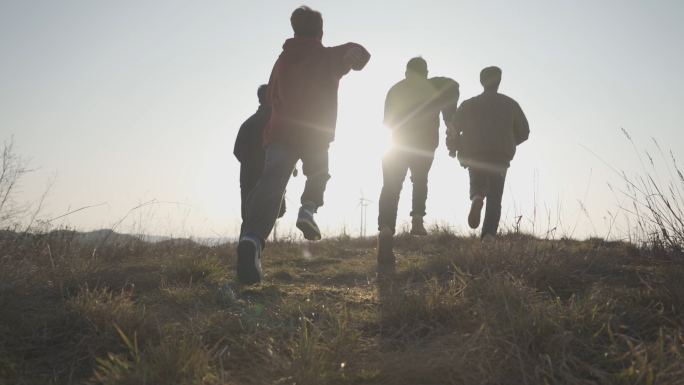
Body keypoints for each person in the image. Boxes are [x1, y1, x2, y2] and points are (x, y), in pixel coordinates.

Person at [236, 5, 371, 284]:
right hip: (314, 134)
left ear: (294, 31)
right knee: (318, 172)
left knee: (271, 185)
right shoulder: (328, 56)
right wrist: (354, 54)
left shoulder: (281, 60)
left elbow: (272, 95)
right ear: (320, 33)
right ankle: (308, 208)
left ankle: (251, 238)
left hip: (281, 134)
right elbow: (359, 54)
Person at [377, 57, 459, 265]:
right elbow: (453, 85)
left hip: (396, 143)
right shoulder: (433, 86)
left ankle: (386, 227)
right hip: (423, 143)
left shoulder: (394, 89)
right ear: (426, 74)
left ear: (406, 73)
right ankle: (417, 219)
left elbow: (387, 121)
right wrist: (449, 119)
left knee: (391, 187)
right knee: (420, 179)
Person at [450, 66, 529, 243]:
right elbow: (525, 132)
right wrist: (507, 141)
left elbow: (454, 128)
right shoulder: (511, 104)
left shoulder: (469, 104)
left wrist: (453, 148)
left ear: (481, 82)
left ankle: (477, 196)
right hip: (500, 157)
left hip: (476, 154)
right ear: (499, 81)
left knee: (477, 184)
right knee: (495, 197)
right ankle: (488, 235)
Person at [233, 84, 286, 224]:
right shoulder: (279, 123)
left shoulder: (247, 124)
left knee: (248, 218)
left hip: (248, 179)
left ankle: (246, 245)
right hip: (272, 177)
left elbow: (237, 152)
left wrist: (250, 166)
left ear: (259, 100)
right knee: (273, 213)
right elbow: (288, 150)